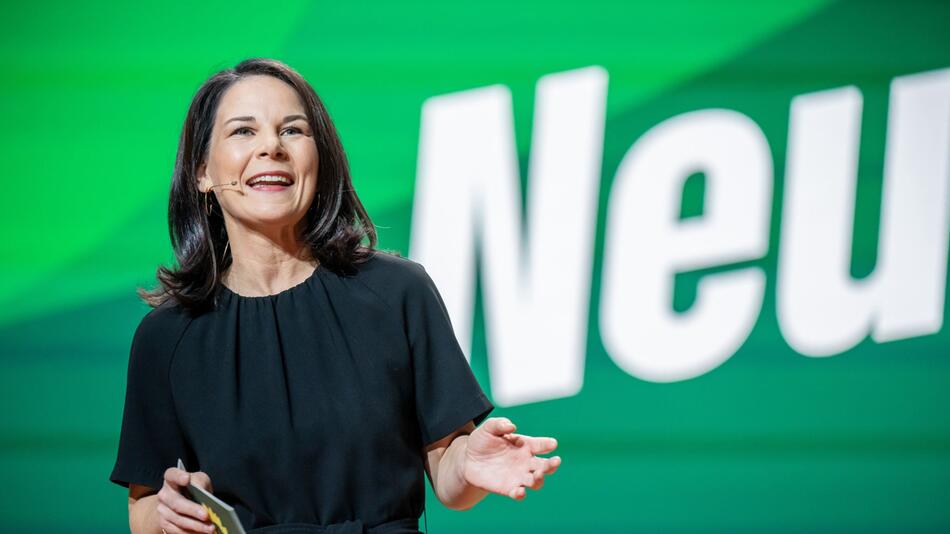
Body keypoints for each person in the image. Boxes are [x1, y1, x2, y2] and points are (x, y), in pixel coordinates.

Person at [108, 58, 561, 534]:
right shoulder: (167, 337)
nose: (271, 147)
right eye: (243, 131)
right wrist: (165, 516)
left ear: (318, 159)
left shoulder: (398, 292)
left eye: (293, 131)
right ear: (202, 171)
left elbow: (449, 477)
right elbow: (143, 508)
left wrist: (471, 463)